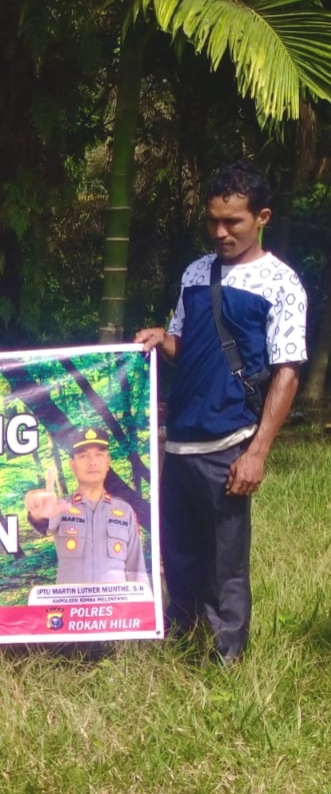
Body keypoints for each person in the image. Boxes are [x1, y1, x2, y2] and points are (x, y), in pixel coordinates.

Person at [135, 160, 307, 662]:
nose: (221, 231)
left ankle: (227, 665)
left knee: (225, 564)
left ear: (262, 217)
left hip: (231, 440)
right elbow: (185, 345)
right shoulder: (196, 272)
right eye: (213, 220)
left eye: (232, 221)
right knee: (180, 556)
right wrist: (160, 339)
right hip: (179, 439)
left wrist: (257, 453)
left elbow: (287, 372)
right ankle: (182, 650)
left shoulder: (281, 283)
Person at [24, 428, 148, 585]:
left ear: (108, 462)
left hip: (116, 606)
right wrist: (38, 513)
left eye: (99, 454)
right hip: (71, 605)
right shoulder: (60, 507)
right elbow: (41, 524)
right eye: (83, 456)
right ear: (72, 465)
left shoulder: (125, 510)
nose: (93, 462)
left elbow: (136, 569)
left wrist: (142, 605)